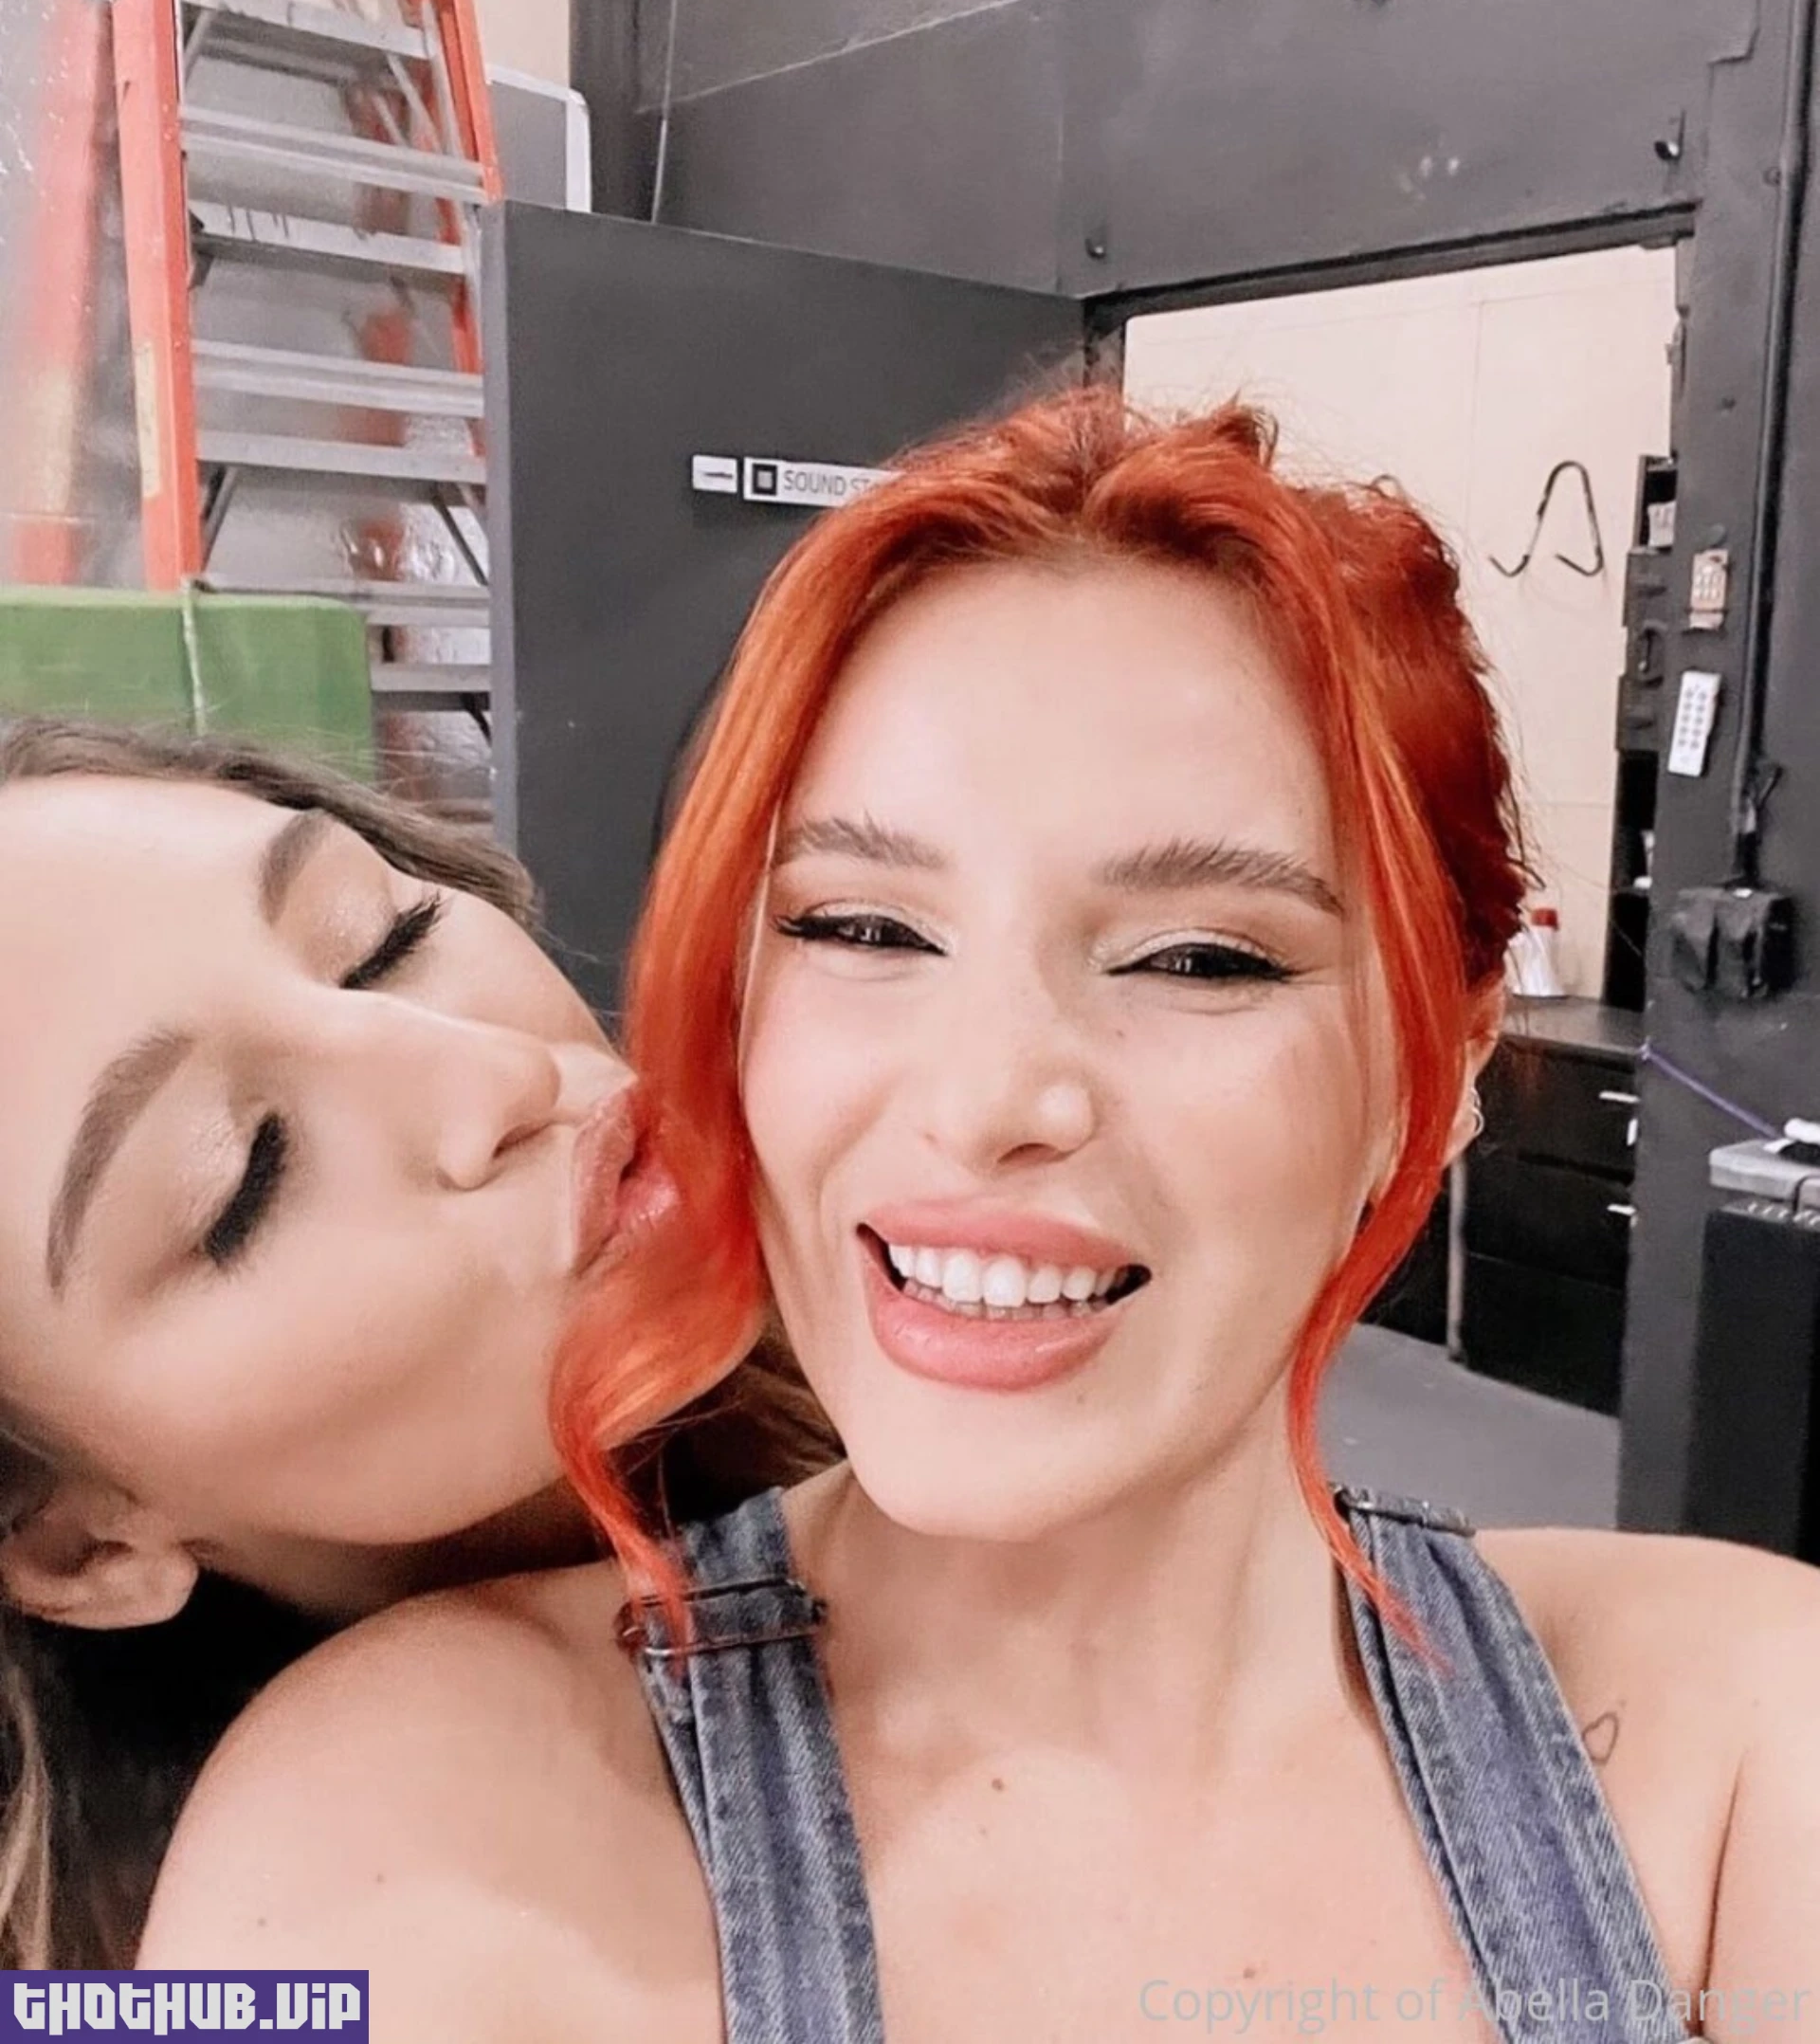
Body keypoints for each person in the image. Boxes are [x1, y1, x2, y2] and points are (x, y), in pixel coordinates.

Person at [143, 396, 1820, 2040]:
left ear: (1433, 1076)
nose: (986, 1096)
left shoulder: (1746, 1731)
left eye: (1201, 958)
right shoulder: (389, 1818)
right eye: (861, 928)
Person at [0, 719, 832, 1970]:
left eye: (384, 939)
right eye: (246, 1178)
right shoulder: (254, 1971)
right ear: (82, 1544)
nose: (495, 1075)